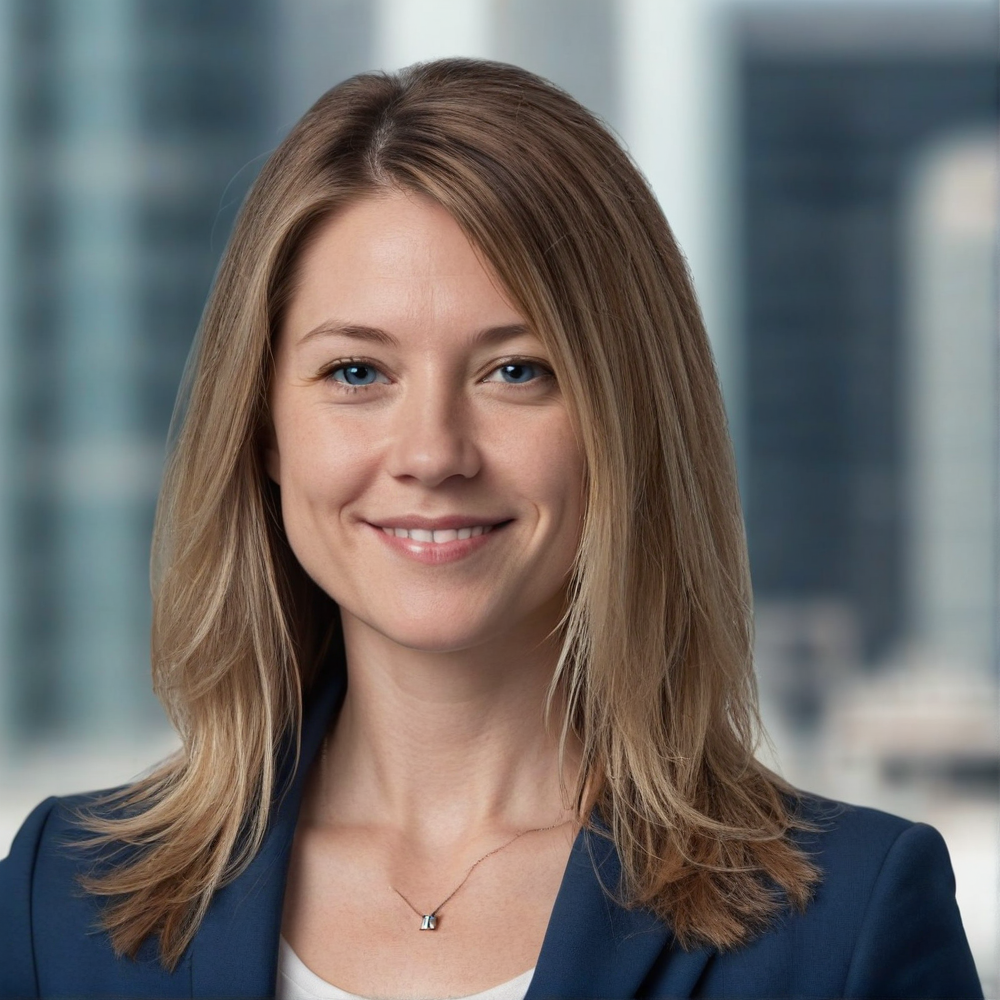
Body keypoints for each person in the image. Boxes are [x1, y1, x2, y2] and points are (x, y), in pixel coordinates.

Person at [0, 58, 983, 1000]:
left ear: (625, 422)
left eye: (516, 371)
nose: (432, 452)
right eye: (356, 372)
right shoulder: (59, 907)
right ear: (263, 428)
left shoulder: (844, 924)